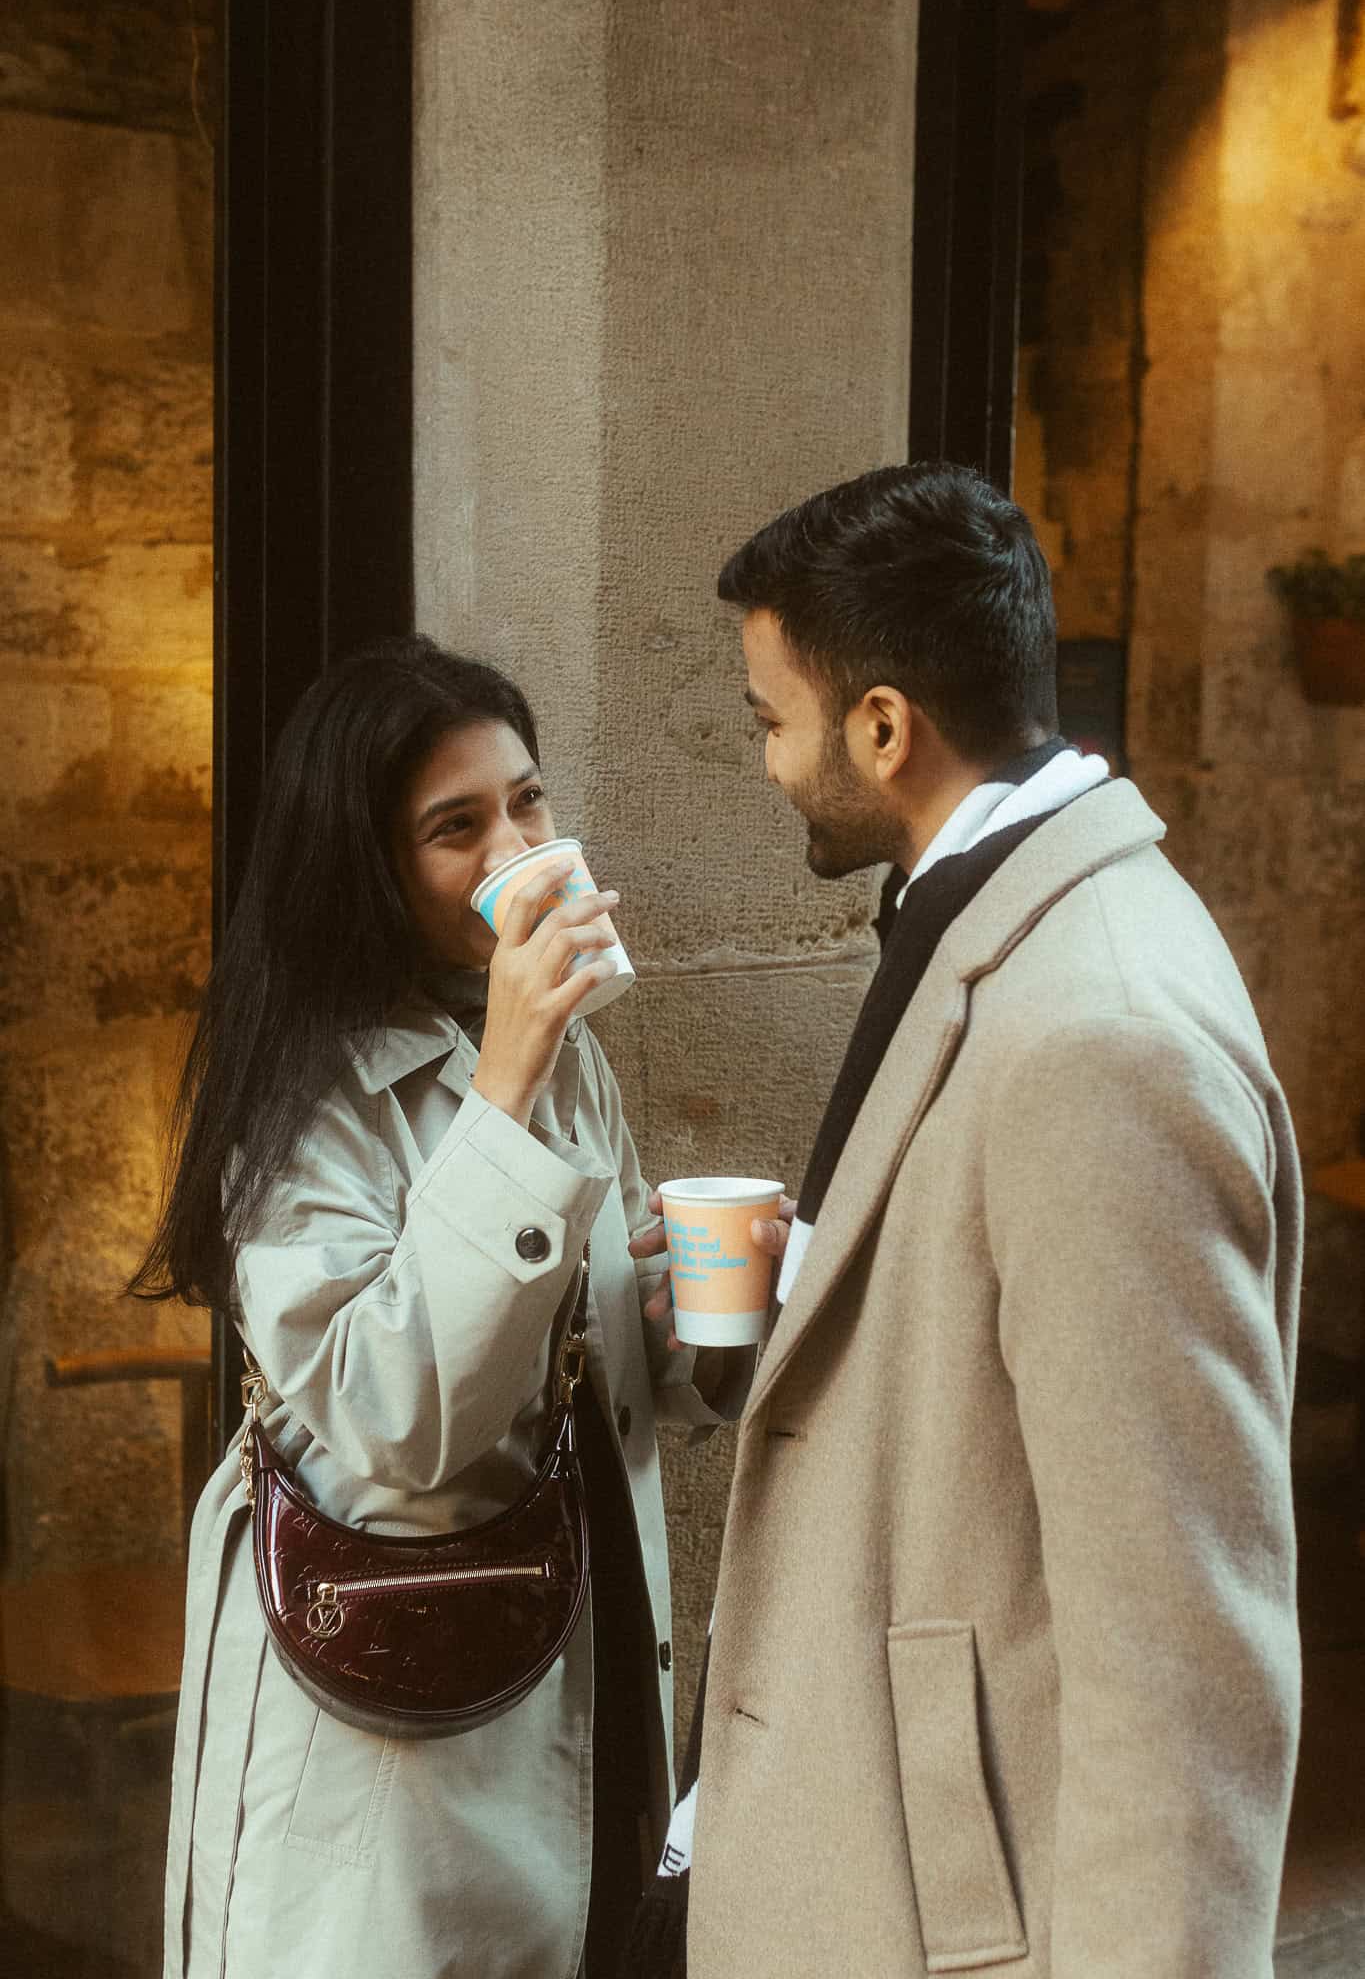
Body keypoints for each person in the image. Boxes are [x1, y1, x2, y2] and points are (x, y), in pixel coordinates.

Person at [635, 462, 1301, 1977]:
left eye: (768, 719)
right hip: (868, 1858)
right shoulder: (998, 909)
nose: (762, 762)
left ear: (882, 727)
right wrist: (809, 1289)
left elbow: (1183, 1652)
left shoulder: (1101, 1039)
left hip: (949, 1925)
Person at [130, 636, 744, 1979]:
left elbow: (586, 1363)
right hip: (386, 1726)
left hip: (574, 1667)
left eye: (526, 803)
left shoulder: (561, 1055)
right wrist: (507, 1084)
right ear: (367, 866)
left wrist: (695, 1313)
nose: (514, 847)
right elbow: (387, 1420)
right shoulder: (306, 1097)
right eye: (454, 828)